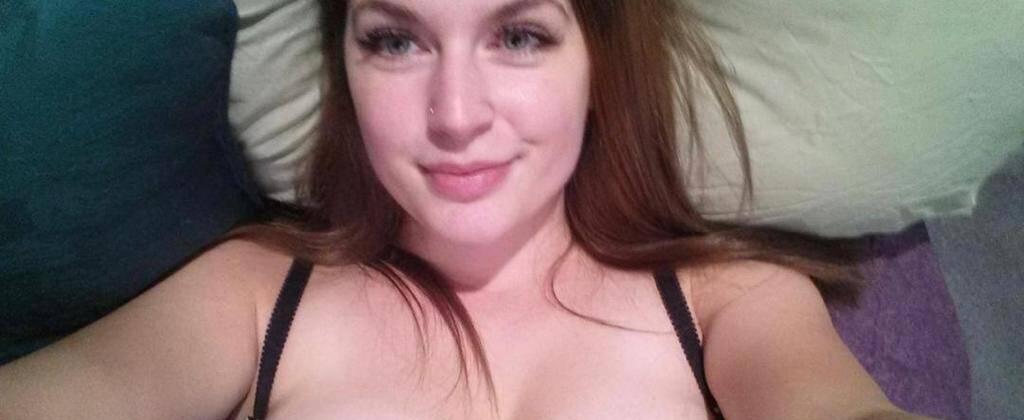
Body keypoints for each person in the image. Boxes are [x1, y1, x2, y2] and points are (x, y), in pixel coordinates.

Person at [0, 0, 930, 419]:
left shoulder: (730, 300)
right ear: (347, 68)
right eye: (395, 40)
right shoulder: (250, 296)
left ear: (598, 66)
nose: (454, 115)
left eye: (519, 36)